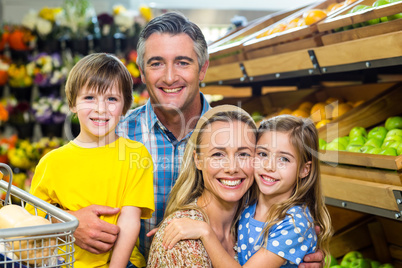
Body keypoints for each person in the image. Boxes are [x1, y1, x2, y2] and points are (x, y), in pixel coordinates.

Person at [68, 12, 324, 267]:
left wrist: (302, 252)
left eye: (182, 62)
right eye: (156, 63)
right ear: (142, 73)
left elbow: (280, 202)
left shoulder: (242, 136)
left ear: (202, 69)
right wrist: (68, 221)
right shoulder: (112, 134)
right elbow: (48, 194)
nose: (169, 77)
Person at [27, 53, 155, 268]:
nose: (101, 108)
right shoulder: (52, 162)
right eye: (89, 98)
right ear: (73, 104)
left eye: (112, 99)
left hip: (122, 263)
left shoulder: (136, 154)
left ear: (124, 107)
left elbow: (130, 220)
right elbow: (36, 219)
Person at [162, 114, 333, 267]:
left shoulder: (294, 223)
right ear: (197, 160)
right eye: (263, 154)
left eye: (284, 159)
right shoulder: (248, 204)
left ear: (305, 169)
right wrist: (170, 230)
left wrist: (205, 232)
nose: (269, 166)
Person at [147, 105, 257, 267]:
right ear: (198, 160)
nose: (232, 168)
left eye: (243, 154)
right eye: (218, 154)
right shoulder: (182, 242)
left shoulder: (256, 224)